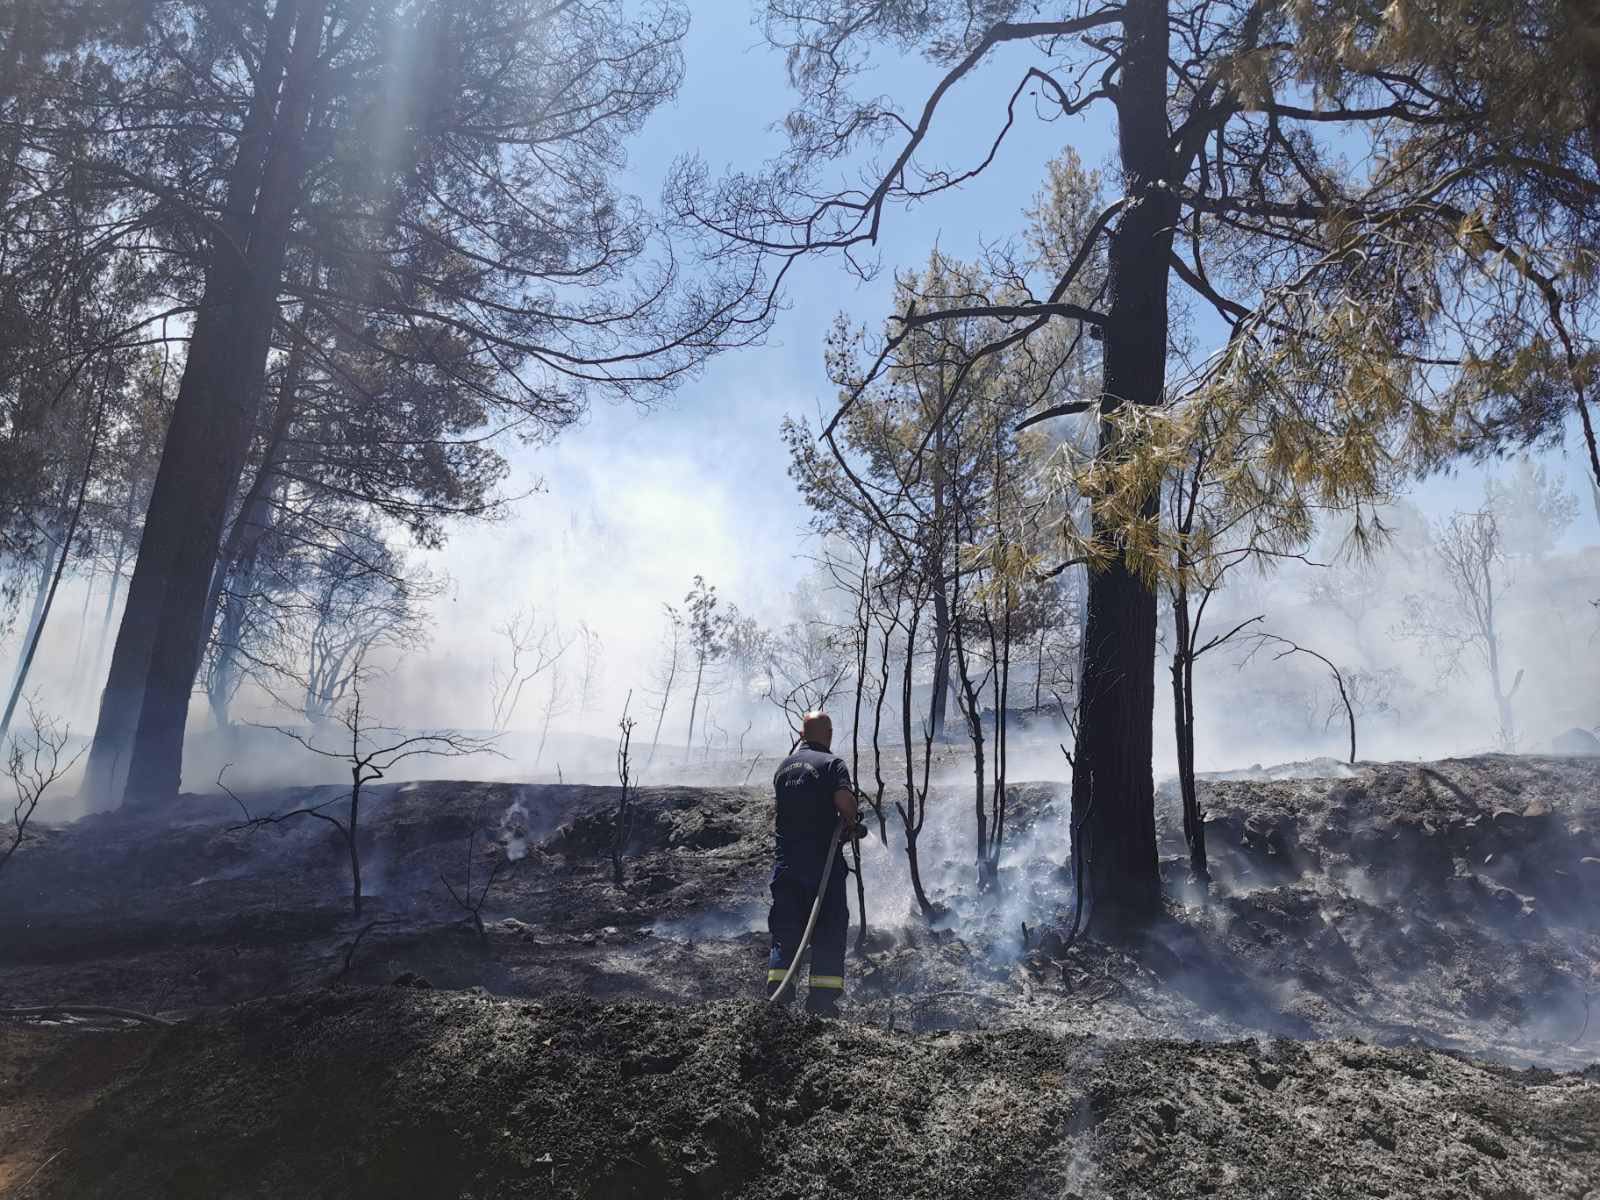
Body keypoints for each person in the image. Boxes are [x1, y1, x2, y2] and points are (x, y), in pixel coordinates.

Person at [765, 710, 860, 1015]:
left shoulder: (784, 767)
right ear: (829, 734)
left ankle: (778, 997)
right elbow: (844, 802)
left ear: (802, 734)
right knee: (829, 927)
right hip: (822, 866)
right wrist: (851, 821)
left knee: (786, 929)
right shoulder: (832, 764)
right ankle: (821, 1001)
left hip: (786, 866)